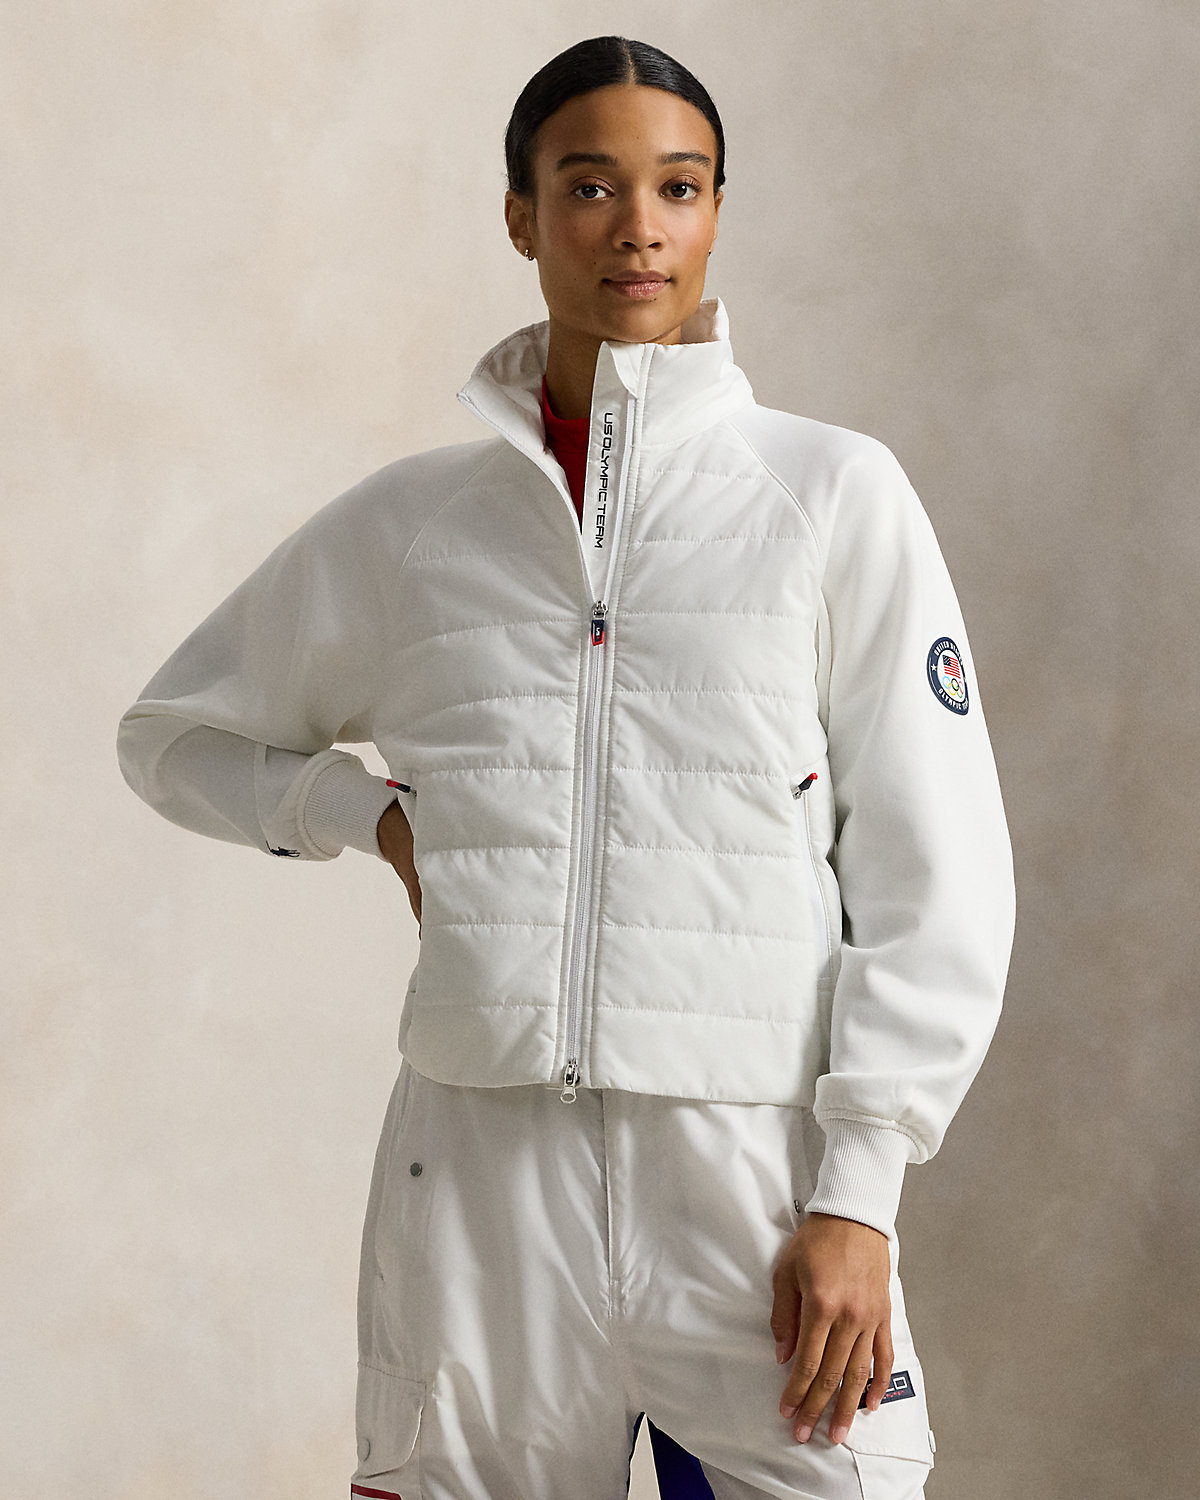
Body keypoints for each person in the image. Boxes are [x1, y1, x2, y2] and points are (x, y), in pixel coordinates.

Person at [116, 34, 1015, 1500]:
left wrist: (862, 1193)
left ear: (716, 213)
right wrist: (361, 813)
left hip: (751, 1183)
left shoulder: (827, 496)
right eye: (590, 187)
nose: (638, 227)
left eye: (680, 187)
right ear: (522, 216)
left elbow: (940, 867)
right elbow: (173, 737)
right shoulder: (420, 526)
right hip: (480, 1191)